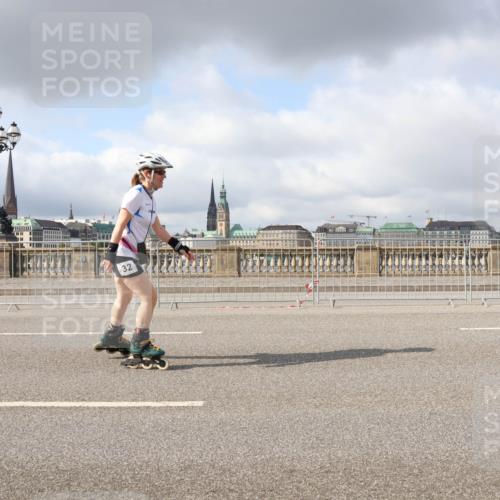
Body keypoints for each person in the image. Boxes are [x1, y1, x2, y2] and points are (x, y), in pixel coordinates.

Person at [94, 153, 194, 369]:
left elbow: (158, 229)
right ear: (147, 174)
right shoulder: (135, 194)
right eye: (161, 173)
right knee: (148, 296)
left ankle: (112, 335)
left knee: (124, 296)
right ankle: (140, 343)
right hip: (123, 254)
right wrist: (110, 254)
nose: (164, 177)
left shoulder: (150, 198)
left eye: (164, 173)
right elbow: (119, 224)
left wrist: (179, 246)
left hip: (128, 254)